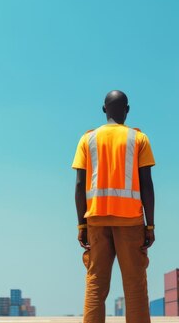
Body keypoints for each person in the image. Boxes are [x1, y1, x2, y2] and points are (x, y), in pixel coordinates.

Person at [72, 90, 156, 323]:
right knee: (135, 286)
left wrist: (82, 224)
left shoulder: (87, 139)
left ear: (103, 110)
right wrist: (150, 226)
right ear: (127, 110)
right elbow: (147, 186)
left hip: (96, 220)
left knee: (96, 284)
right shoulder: (139, 139)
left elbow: (79, 186)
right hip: (130, 221)